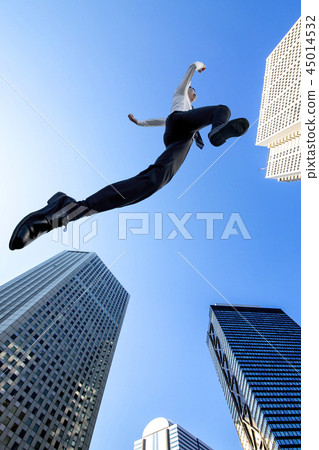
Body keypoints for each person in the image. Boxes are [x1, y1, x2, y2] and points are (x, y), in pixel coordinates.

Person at [9, 61, 249, 251]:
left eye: (194, 92)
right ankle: (216, 131)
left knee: (156, 181)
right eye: (192, 90)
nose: (193, 93)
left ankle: (67, 211)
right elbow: (185, 81)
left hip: (179, 138)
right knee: (222, 110)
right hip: (179, 125)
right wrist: (197, 65)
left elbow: (157, 122)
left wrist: (139, 122)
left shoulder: (193, 110)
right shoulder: (180, 95)